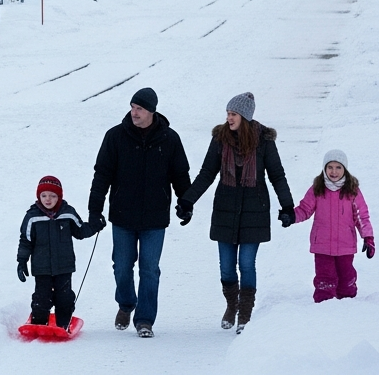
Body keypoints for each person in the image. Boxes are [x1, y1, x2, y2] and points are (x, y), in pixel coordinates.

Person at [178, 92, 294, 333]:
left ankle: (245, 313)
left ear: (245, 116)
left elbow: (277, 175)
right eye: (228, 114)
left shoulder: (264, 141)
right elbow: (207, 173)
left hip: (255, 210)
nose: (229, 118)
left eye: (233, 114)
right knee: (227, 267)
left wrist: (287, 206)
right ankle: (232, 305)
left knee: (247, 263)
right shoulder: (220, 139)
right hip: (225, 209)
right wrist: (188, 200)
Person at [88, 87, 191, 338]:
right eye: (133, 107)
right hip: (123, 215)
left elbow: (180, 174)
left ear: (151, 111)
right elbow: (102, 175)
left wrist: (185, 203)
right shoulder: (115, 137)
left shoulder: (169, 139)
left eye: (140, 109)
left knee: (149, 268)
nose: (134, 112)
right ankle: (126, 304)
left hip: (155, 218)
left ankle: (145, 319)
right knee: (122, 267)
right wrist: (95, 209)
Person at [17, 175, 101, 330]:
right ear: (38, 196)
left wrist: (95, 226)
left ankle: (63, 324)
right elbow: (26, 240)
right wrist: (22, 261)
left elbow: (80, 231)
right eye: (44, 195)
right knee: (42, 298)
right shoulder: (32, 217)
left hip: (64, 266)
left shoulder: (67, 213)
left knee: (65, 298)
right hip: (42, 267)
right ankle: (39, 324)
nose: (47, 199)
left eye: (52, 196)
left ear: (59, 196)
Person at [291, 149, 374, 302]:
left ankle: (347, 304)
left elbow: (361, 216)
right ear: (324, 168)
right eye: (330, 167)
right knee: (324, 278)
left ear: (345, 169)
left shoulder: (352, 190)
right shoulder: (317, 188)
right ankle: (324, 305)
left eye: (338, 167)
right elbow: (305, 209)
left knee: (346, 277)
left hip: (345, 245)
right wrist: (291, 216)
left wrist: (368, 237)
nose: (334, 171)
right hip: (322, 245)